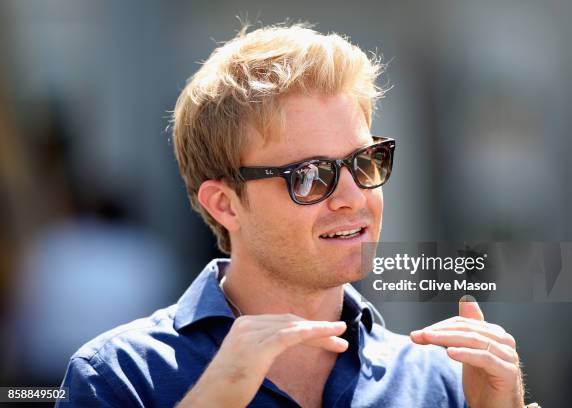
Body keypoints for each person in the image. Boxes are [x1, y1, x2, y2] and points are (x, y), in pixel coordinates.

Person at [57, 23, 533, 407]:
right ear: (224, 205)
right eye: (309, 175)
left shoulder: (442, 381)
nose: (353, 196)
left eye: (365, 162)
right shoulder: (119, 378)